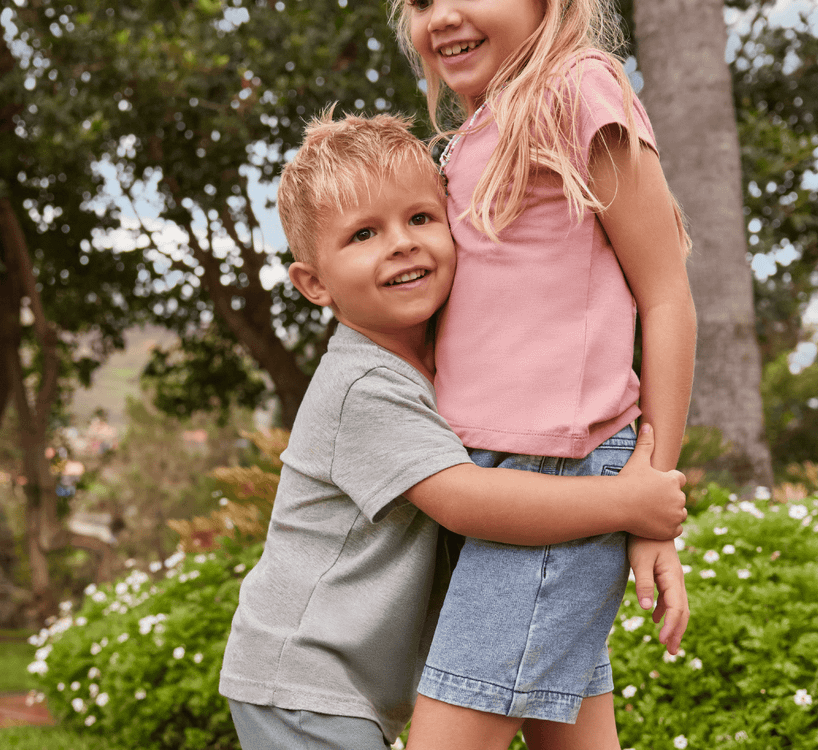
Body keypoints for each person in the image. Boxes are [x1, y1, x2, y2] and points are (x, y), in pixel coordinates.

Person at [218, 110, 689, 750]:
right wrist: (627, 503)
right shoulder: (364, 385)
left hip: (338, 689)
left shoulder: (443, 366)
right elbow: (465, 500)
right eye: (363, 234)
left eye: (420, 218)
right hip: (302, 681)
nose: (403, 243)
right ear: (313, 283)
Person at [390, 0, 698, 750]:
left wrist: (651, 500)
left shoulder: (576, 93)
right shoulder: (471, 136)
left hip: (561, 475)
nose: (441, 15)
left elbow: (668, 295)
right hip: (502, 485)